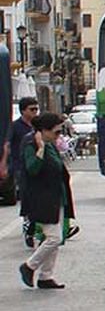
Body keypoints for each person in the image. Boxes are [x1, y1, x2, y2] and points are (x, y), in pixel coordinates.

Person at [17, 111, 72, 290]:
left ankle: (46, 275)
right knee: (53, 238)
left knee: (57, 237)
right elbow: (32, 169)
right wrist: (40, 150)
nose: (58, 136)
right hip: (41, 197)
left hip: (56, 195)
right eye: (56, 132)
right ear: (43, 131)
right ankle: (30, 266)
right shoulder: (31, 144)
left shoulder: (50, 144)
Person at [7, 96, 40, 245]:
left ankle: (35, 225)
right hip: (20, 167)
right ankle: (28, 224)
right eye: (32, 109)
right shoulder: (15, 126)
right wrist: (4, 164)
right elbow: (7, 145)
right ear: (23, 111)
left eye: (36, 109)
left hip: (36, 166)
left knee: (37, 196)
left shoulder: (37, 126)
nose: (35, 112)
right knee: (27, 196)